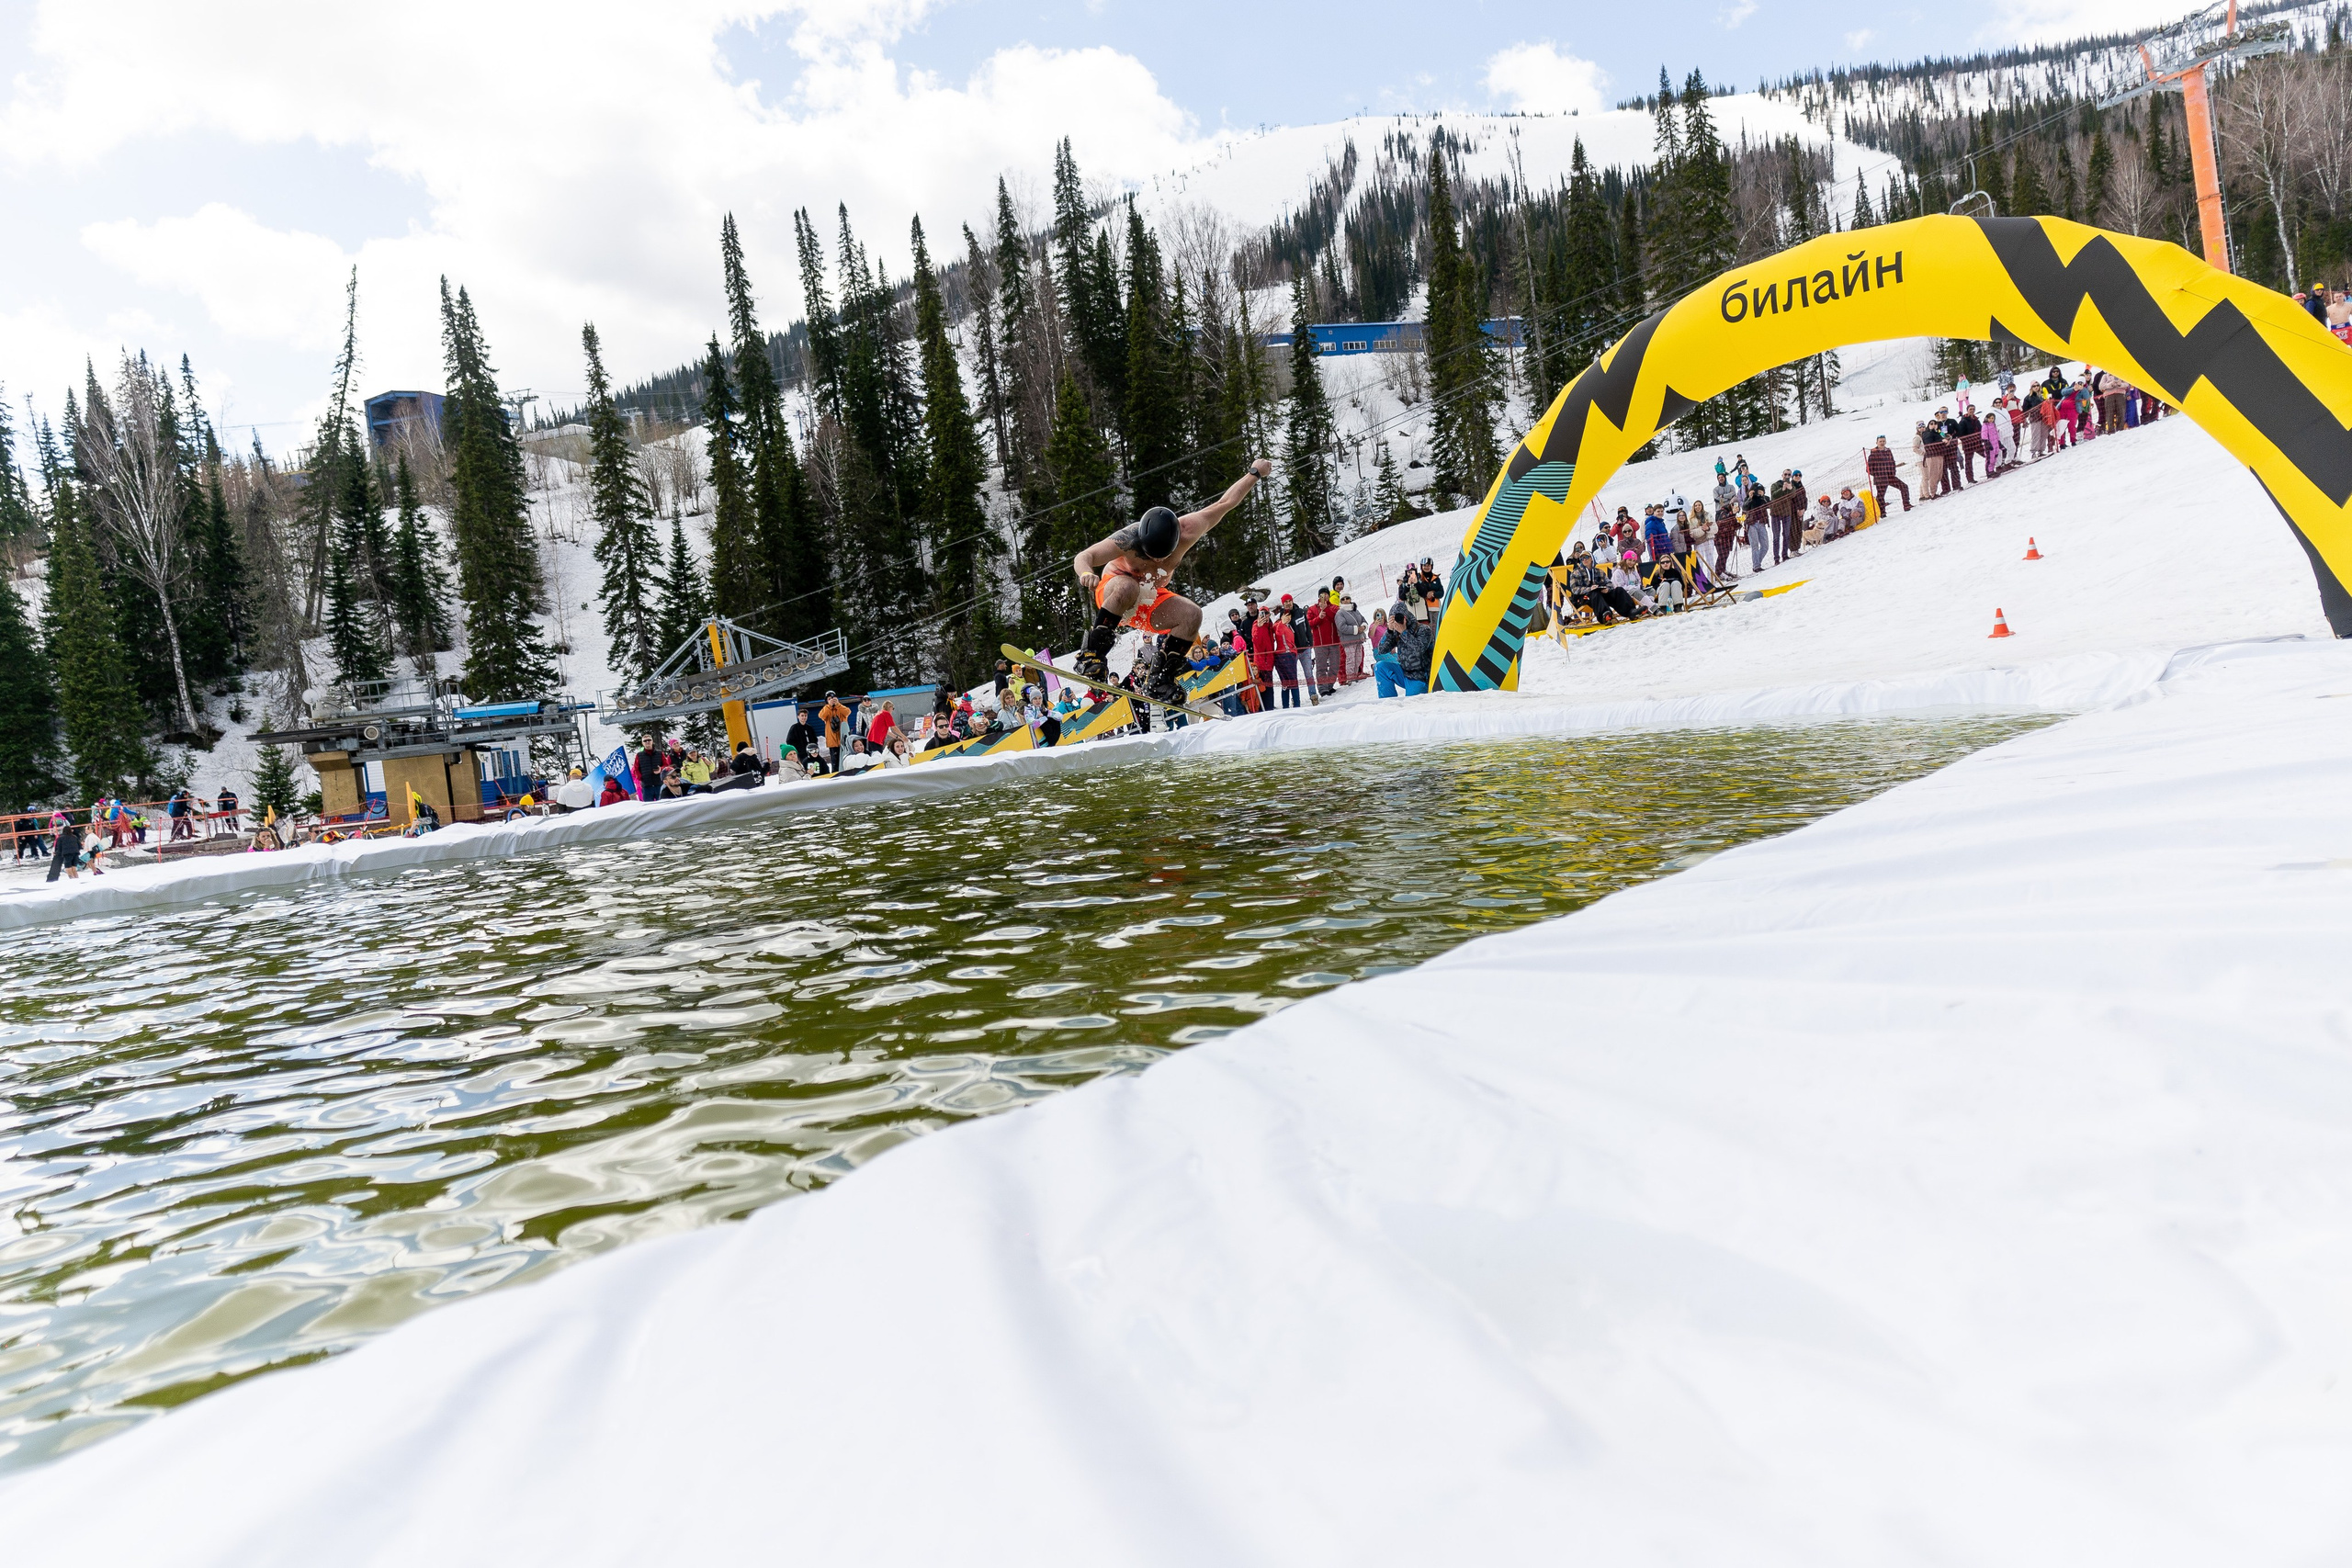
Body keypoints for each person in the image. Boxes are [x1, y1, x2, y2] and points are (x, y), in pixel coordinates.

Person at [1070, 457, 1274, 705]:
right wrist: (1085, 573)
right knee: (1128, 585)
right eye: (1149, 554)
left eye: (1163, 555)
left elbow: (1226, 503)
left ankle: (1160, 680)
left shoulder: (1190, 528)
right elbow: (1086, 556)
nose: (1156, 560)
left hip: (1150, 599)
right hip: (1115, 593)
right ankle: (1091, 655)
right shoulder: (1127, 538)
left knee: (1192, 615)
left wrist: (1254, 473)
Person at [1382, 600, 1434, 696]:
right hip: (1404, 672)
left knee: (1412, 704)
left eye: (1400, 617)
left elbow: (1419, 650)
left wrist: (1404, 632)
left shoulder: (1423, 629)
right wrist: (1389, 631)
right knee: (1381, 667)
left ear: (1406, 617)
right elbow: (1382, 650)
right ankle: (1388, 701)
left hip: (1420, 676)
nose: (1398, 621)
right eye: (1395, 619)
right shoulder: (1396, 631)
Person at [817, 691, 851, 773]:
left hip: (843, 740)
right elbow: (821, 715)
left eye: (833, 698)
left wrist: (838, 705)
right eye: (829, 699)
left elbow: (848, 712)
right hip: (832, 741)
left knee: (845, 761)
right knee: (835, 763)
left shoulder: (841, 708)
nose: (832, 700)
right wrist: (829, 706)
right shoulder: (826, 710)